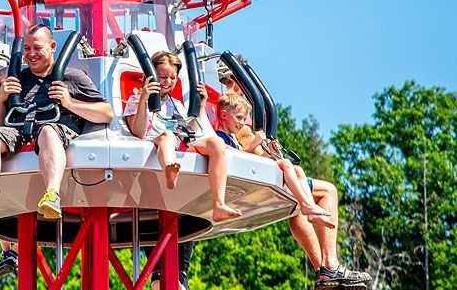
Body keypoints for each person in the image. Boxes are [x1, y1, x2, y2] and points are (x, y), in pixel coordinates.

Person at [0, 24, 113, 225]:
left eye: (37, 48)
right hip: (21, 131)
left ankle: (52, 194)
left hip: (54, 130)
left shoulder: (72, 77)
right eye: (27, 49)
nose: (31, 54)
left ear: (52, 47)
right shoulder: (19, 78)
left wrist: (69, 102)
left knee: (47, 131)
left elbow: (106, 113)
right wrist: (1, 99)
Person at [215, 93, 372, 289]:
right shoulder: (234, 125)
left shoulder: (237, 127)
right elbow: (237, 155)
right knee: (325, 190)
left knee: (298, 180)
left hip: (261, 172)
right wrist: (258, 144)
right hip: (253, 176)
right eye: (240, 117)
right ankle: (328, 266)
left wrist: (267, 149)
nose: (243, 120)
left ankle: (325, 270)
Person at [124, 51, 241, 222]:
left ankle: (219, 204)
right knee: (168, 136)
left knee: (216, 143)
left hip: (180, 140)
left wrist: (200, 106)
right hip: (156, 139)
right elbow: (138, 132)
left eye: (172, 78)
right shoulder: (136, 99)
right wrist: (144, 99)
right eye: (162, 76)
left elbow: (191, 131)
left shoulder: (176, 104)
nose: (168, 82)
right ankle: (169, 169)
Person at [215, 93, 333, 227]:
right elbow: (231, 157)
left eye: (244, 119)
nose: (242, 123)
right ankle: (306, 205)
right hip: (235, 175)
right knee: (285, 163)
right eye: (239, 118)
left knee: (298, 171)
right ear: (224, 115)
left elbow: (246, 159)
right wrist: (253, 144)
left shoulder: (232, 139)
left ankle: (310, 209)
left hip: (244, 171)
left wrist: (269, 152)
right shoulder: (219, 138)